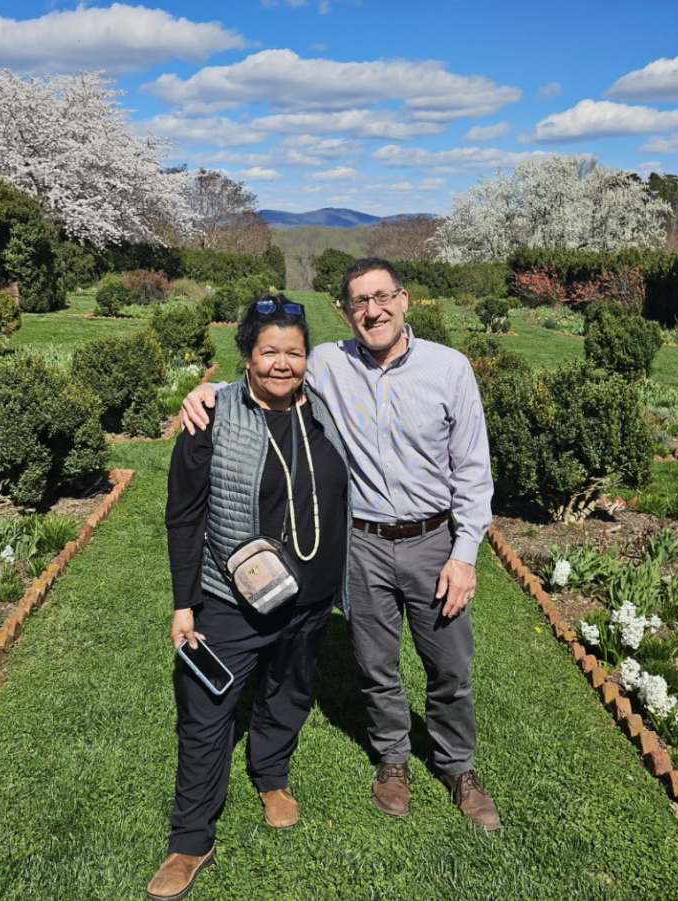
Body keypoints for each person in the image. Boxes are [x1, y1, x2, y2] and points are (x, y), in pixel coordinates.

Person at [180, 258, 499, 831]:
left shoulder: (449, 369)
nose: (372, 310)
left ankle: (458, 766)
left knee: (450, 664)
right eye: (359, 302)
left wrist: (465, 552)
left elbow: (474, 471)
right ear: (346, 312)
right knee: (376, 665)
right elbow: (274, 373)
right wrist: (209, 391)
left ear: (405, 301)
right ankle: (393, 761)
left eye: (382, 298)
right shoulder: (330, 362)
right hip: (361, 542)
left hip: (432, 541)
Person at [151, 296, 352, 901]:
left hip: (311, 600)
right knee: (207, 711)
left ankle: (271, 773)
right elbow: (183, 517)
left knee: (289, 690)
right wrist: (184, 603)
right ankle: (191, 838)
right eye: (270, 352)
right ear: (247, 355)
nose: (282, 364)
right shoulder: (211, 416)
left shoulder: (326, 411)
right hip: (232, 602)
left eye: (294, 352)